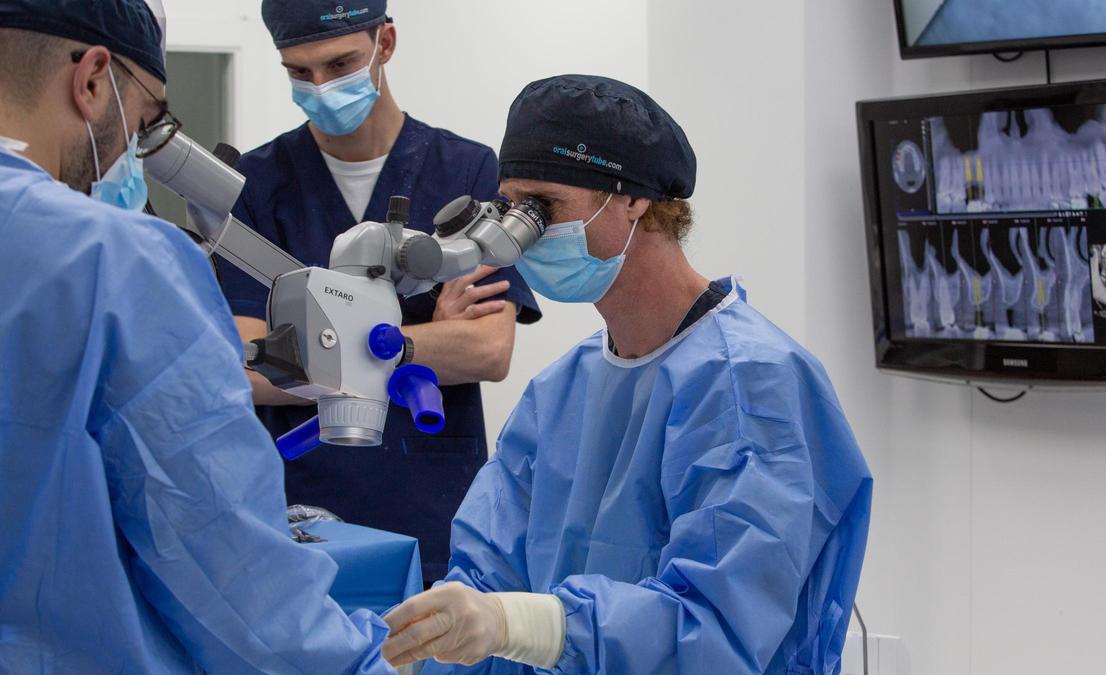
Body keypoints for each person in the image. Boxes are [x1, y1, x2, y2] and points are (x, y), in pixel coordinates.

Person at [381, 75, 874, 673]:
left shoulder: (752, 385)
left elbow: (716, 629)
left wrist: (521, 624)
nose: (520, 236)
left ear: (634, 199)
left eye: (543, 209)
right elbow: (487, 583)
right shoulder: (560, 393)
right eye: (511, 208)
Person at [0, 1, 396, 672]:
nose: (133, 151)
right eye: (146, 120)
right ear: (93, 78)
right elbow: (236, 582)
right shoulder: (114, 258)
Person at [221, 0, 540, 585]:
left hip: (427, 504)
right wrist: (426, 341)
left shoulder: (466, 170)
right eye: (299, 71)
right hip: (297, 509)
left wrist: (310, 349)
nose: (320, 85)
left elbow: (487, 351)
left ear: (384, 44)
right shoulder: (256, 184)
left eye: (339, 63)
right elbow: (245, 366)